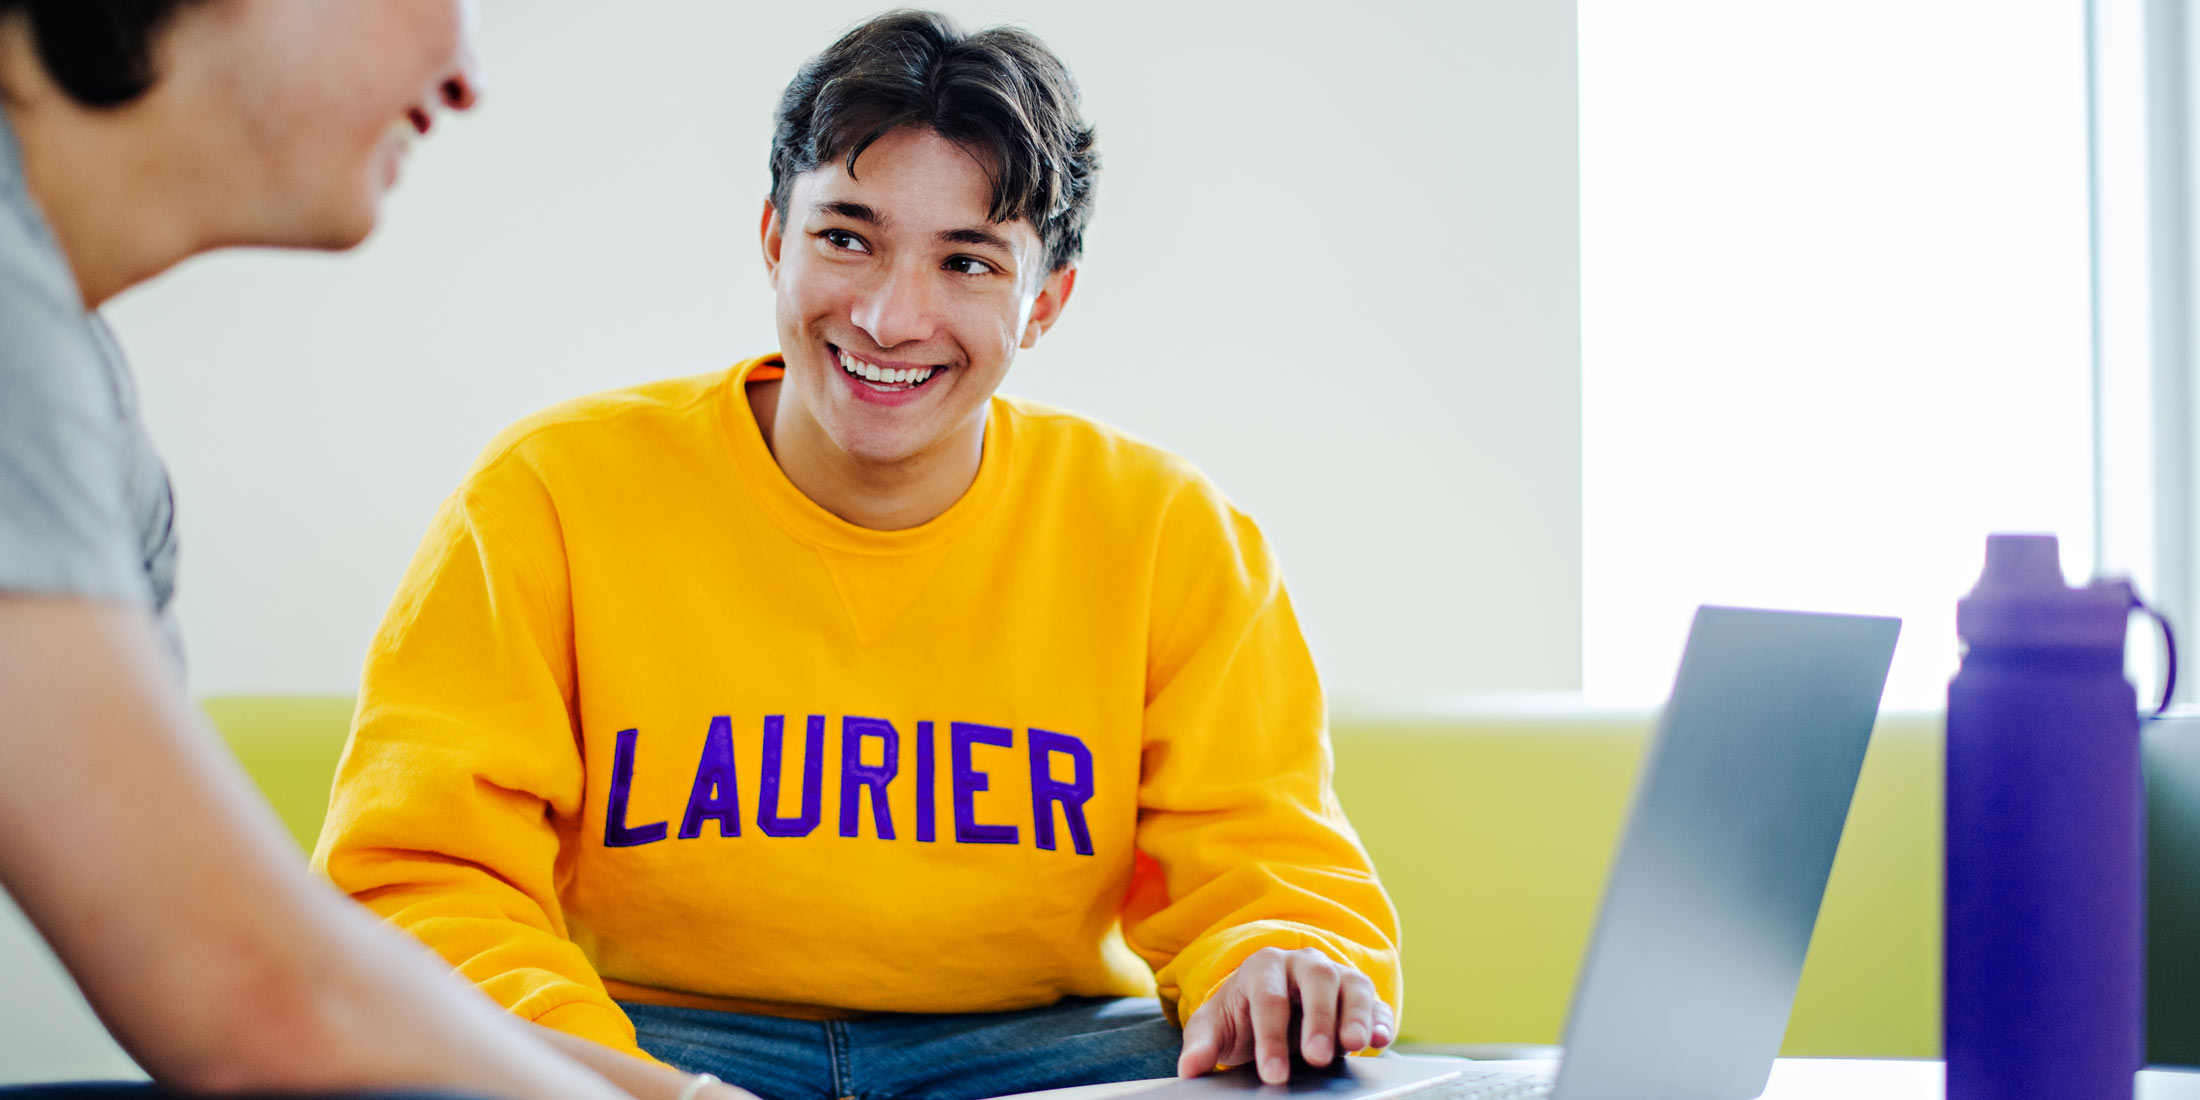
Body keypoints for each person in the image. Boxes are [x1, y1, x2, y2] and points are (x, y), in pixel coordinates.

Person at [312, 11, 1402, 1100]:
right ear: (773, 239)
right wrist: (630, 1088)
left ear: (1044, 303)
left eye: (967, 261)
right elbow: (421, 880)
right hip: (653, 1041)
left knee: (1315, 1079)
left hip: (1040, 1053)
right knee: (419, 1062)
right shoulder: (550, 490)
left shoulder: (1168, 531)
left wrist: (1275, 963)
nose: (890, 317)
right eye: (846, 238)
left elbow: (1267, 870)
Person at [0, 3, 743, 1099]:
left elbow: (276, 963)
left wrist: (679, 1097)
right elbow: (252, 996)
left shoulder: (83, 395)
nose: (467, 74)